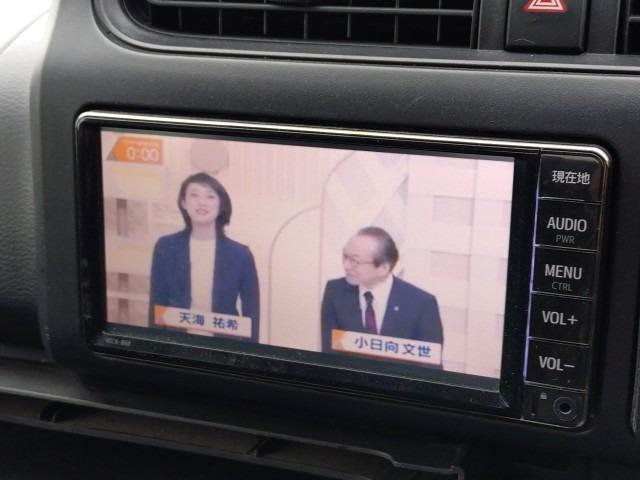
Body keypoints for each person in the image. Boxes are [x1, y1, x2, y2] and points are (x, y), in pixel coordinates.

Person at [149, 172, 259, 342]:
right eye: (194, 195)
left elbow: (251, 314)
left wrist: (247, 354)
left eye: (210, 196)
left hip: (224, 345)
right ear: (184, 203)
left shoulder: (241, 254)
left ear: (221, 204)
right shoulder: (165, 247)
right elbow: (157, 303)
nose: (202, 202)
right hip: (176, 342)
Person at [321, 226, 443, 356]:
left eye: (355, 261)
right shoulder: (335, 292)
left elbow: (429, 360)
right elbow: (330, 354)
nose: (346, 265)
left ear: (383, 268)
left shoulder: (422, 304)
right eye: (345, 256)